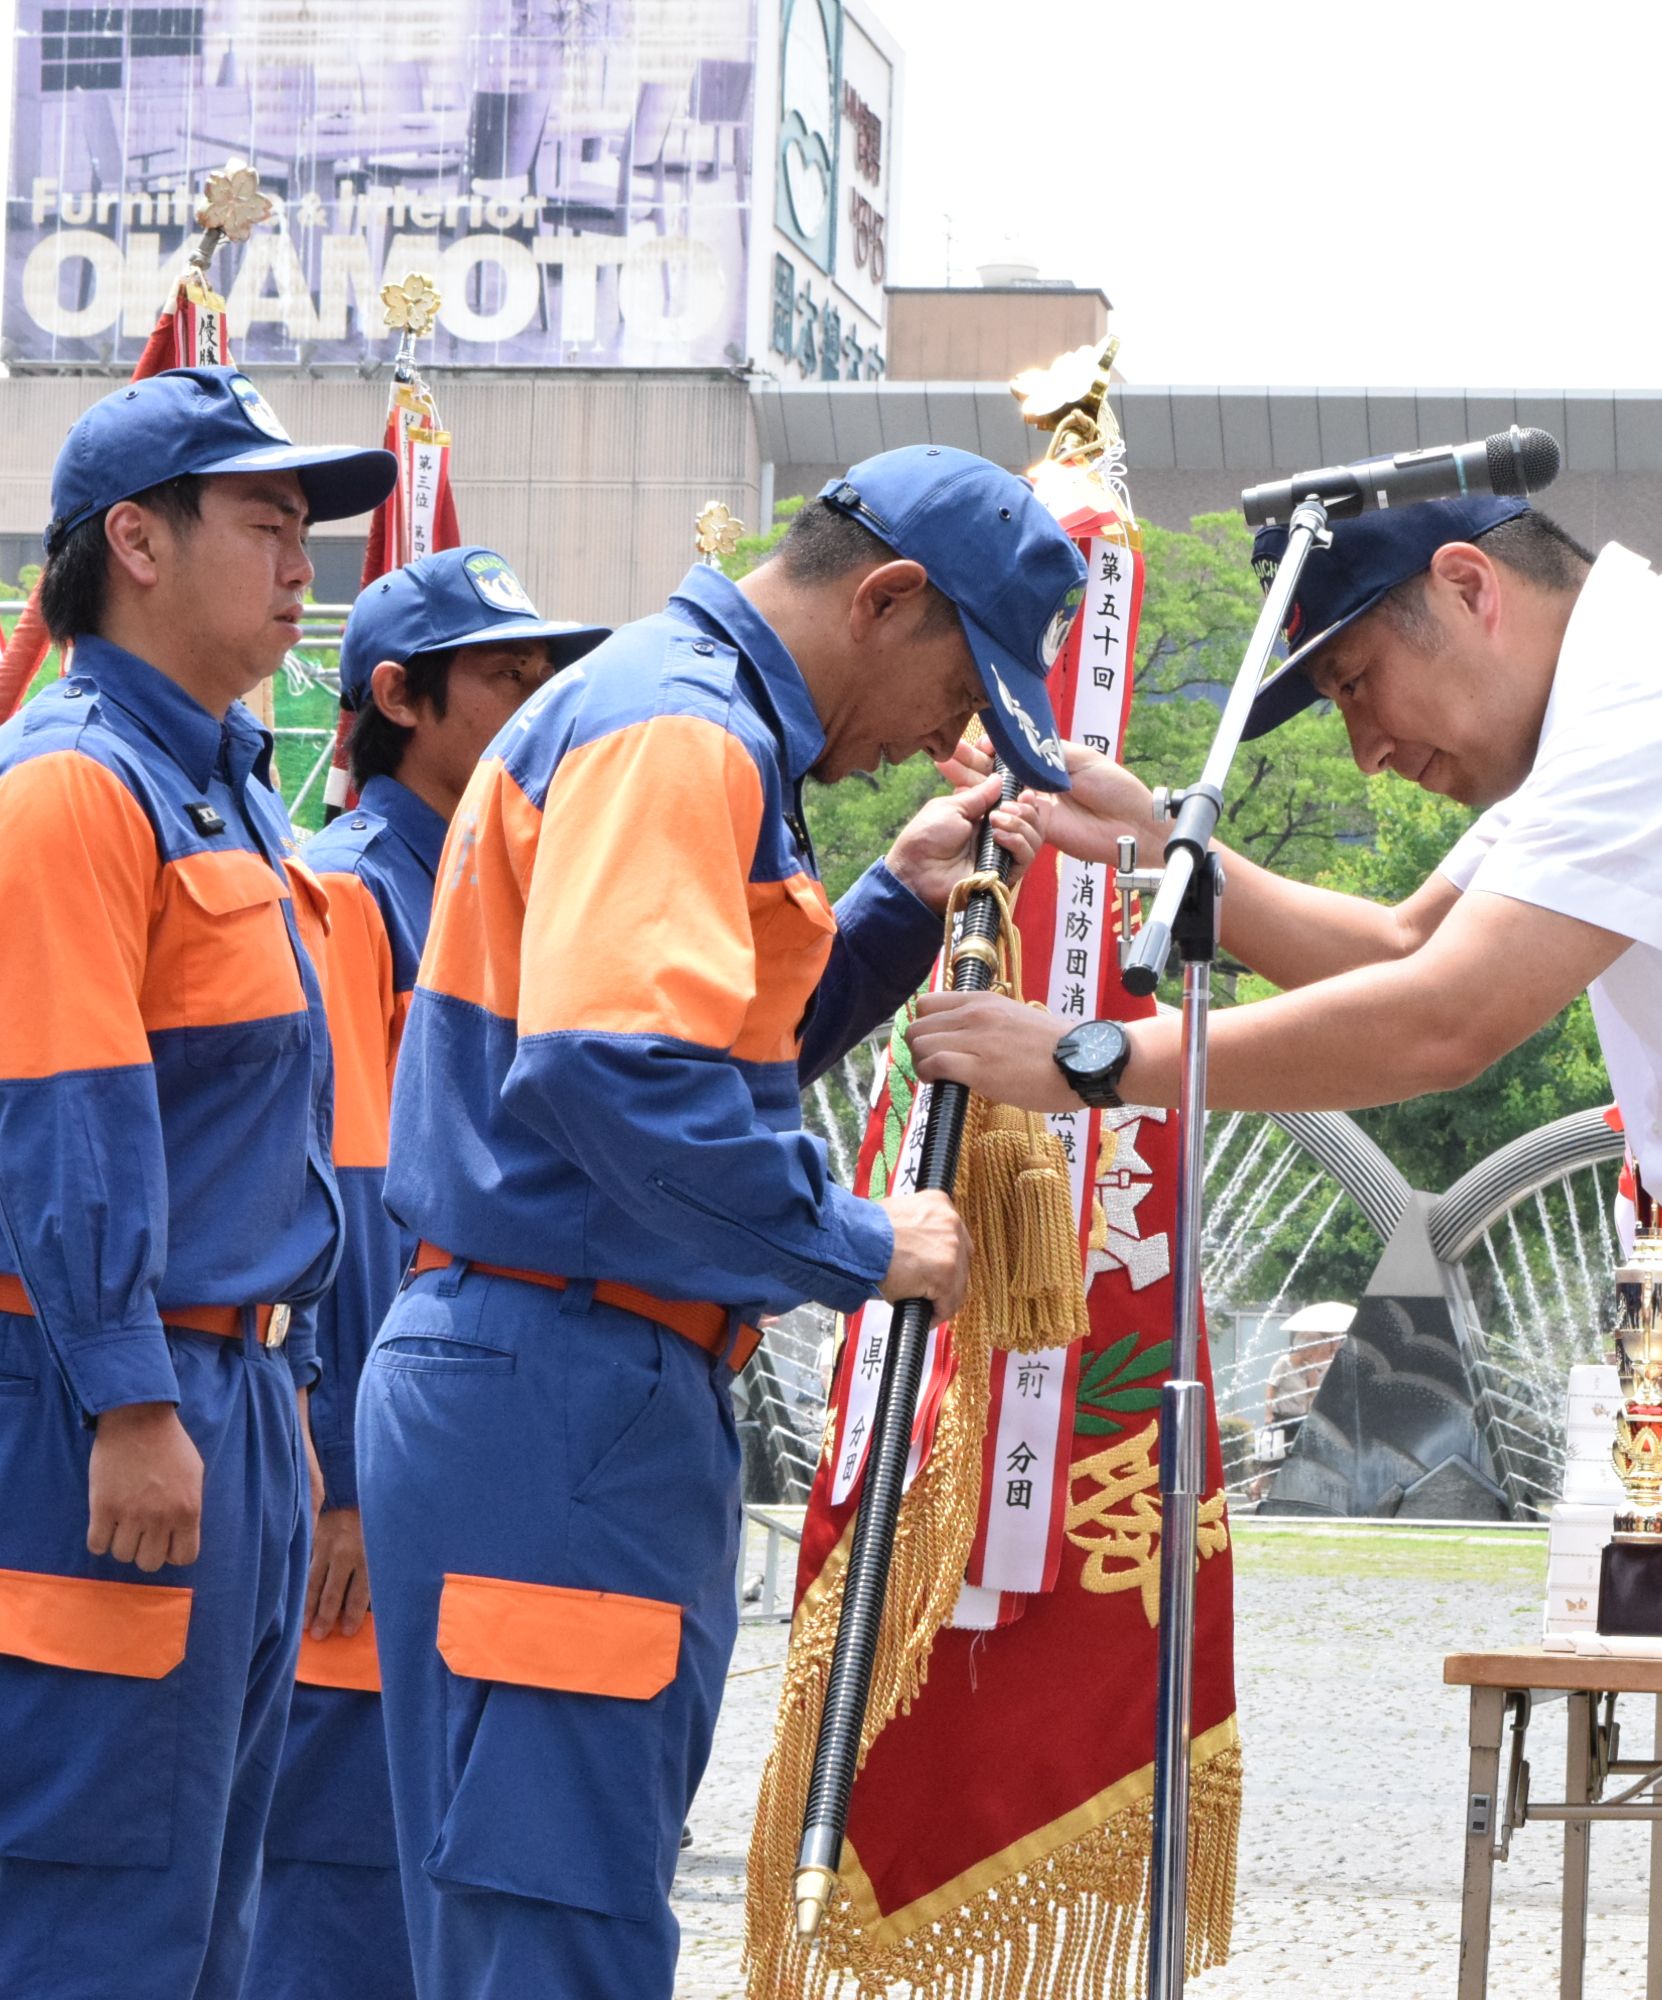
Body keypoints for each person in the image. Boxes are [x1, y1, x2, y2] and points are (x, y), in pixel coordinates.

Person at [905, 495, 1662, 1998]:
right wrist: (1174, 842)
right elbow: (1399, 948)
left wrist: (1097, 1057)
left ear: (1469, 586)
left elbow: (1447, 1021)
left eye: (1360, 682)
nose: (1367, 748)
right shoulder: (1607, 712)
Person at [354, 447, 1079, 1996]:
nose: (947, 737)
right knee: (555, 1925)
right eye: (962, 685)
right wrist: (862, 1241)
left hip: (560, 1369)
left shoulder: (687, 717)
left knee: (545, 1898)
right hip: (562, 1374)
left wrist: (888, 907)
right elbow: (623, 1085)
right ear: (888, 599)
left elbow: (698, 1053)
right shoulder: (683, 732)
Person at [0, 368, 395, 1999]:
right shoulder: (73, 785)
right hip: (106, 1402)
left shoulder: (221, 787)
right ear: (137, 547)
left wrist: (282, 1410)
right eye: (266, 522)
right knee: (91, 1900)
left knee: (207, 1901)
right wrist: (130, 1393)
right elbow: (61, 1108)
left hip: (233, 1396)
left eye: (309, 529)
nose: (304, 563)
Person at [242, 547, 608, 2000]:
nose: (535, 704)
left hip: (463, 1437)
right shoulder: (347, 893)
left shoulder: (480, 883)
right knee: (336, 1886)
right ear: (400, 697)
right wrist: (339, 1477)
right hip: (372, 1454)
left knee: (429, 1858)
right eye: (503, 678)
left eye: (543, 677)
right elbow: (336, 1192)